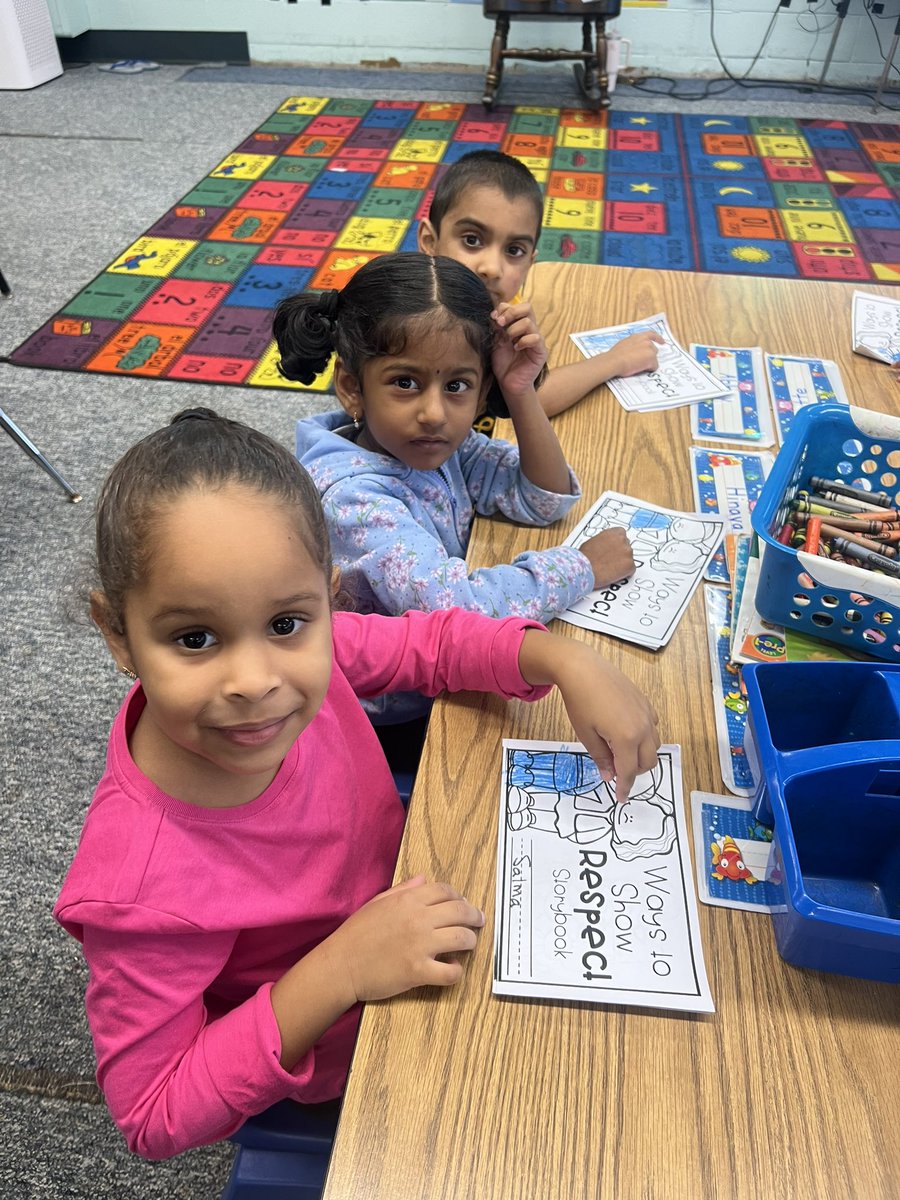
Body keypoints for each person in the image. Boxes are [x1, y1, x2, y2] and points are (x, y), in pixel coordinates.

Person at [53, 408, 660, 1160]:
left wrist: (566, 663)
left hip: (418, 893)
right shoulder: (137, 887)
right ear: (118, 634)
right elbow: (153, 1113)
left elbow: (431, 642)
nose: (254, 682)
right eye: (194, 639)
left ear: (328, 599)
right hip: (363, 1034)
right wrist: (340, 967)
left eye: (285, 624)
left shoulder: (323, 649)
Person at [275, 251, 635, 728]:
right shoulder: (354, 500)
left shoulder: (431, 445)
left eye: (458, 385)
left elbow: (540, 497)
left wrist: (520, 390)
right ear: (351, 386)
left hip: (437, 680)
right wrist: (584, 567)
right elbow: (463, 617)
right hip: (388, 720)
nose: (435, 412)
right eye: (405, 382)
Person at [417, 149, 663, 419]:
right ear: (430, 242)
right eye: (472, 240)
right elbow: (530, 401)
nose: (492, 268)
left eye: (513, 251)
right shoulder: (416, 324)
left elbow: (523, 391)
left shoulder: (498, 306)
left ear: (530, 262)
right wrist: (615, 361)